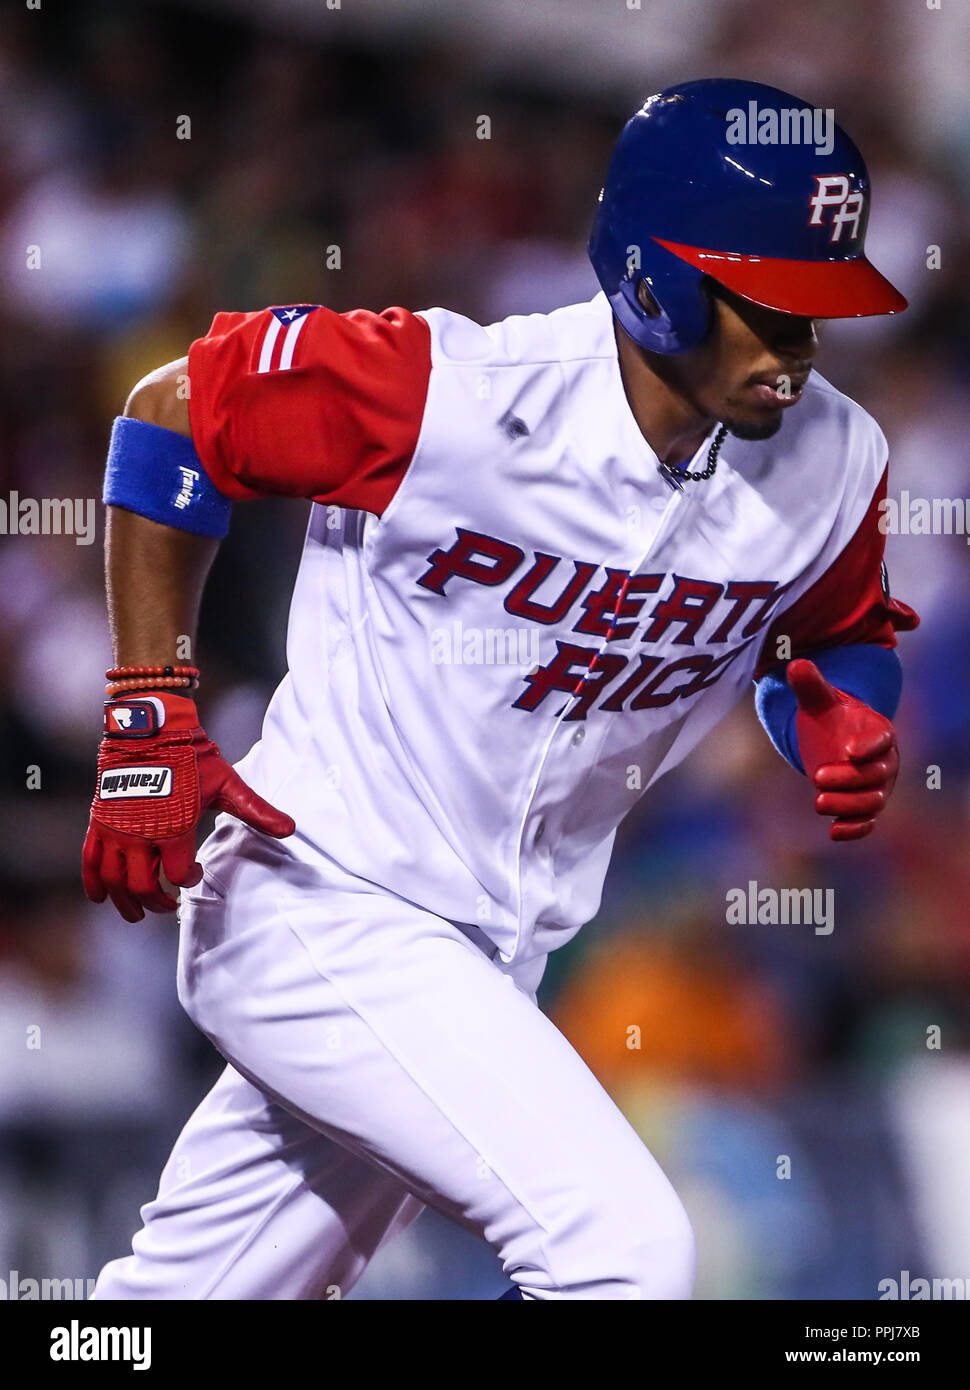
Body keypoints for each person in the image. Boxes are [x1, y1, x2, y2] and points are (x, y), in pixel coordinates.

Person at [85, 79, 917, 1300]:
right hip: (318, 896)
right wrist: (148, 708)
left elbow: (834, 632)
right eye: (772, 305)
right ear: (655, 277)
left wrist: (837, 708)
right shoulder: (454, 392)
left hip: (491, 953)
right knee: (622, 1251)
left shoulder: (835, 460)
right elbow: (171, 417)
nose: (802, 346)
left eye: (820, 308)